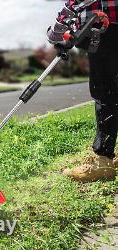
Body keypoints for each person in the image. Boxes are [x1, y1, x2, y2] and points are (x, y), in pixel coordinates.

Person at [47, 0, 118, 182]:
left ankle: (104, 161)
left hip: (105, 27)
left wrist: (56, 31)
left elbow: (76, 3)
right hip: (106, 27)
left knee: (105, 93)